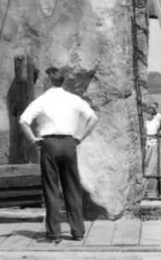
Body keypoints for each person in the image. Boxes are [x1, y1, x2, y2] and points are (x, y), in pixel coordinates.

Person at [19, 66, 99, 244]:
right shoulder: (73, 99)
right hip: (69, 143)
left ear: (48, 81)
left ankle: (54, 233)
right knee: (72, 187)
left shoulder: (42, 100)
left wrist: (33, 139)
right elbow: (93, 118)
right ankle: (77, 230)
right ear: (63, 81)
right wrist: (80, 137)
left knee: (51, 189)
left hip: (49, 144)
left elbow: (23, 120)